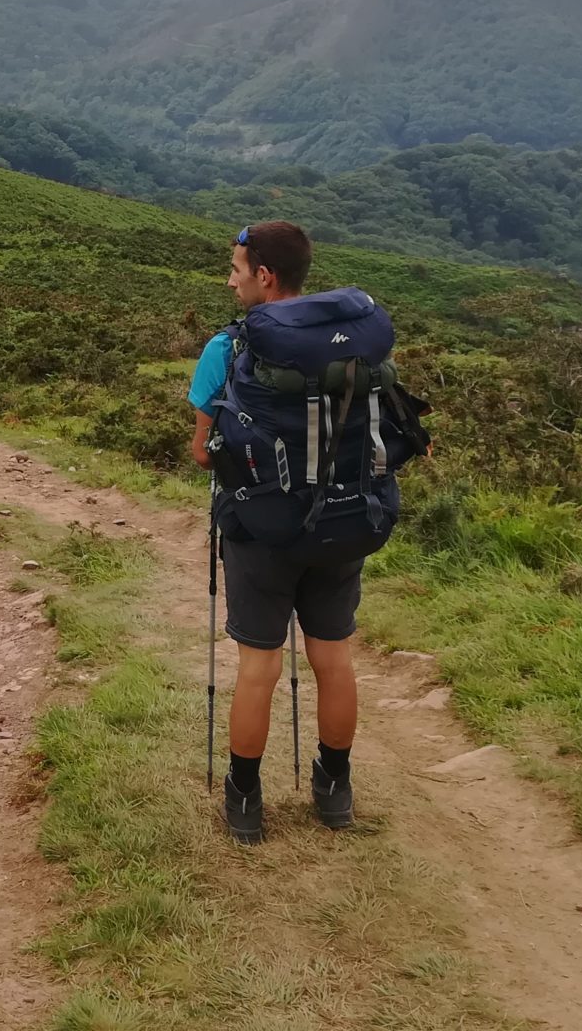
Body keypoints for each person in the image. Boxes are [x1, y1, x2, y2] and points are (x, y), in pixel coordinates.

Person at [188, 220, 359, 844]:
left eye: (235, 270)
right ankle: (335, 787)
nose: (230, 282)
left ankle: (244, 798)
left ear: (265, 276)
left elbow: (203, 453)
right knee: (333, 659)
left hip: (259, 530)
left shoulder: (227, 349)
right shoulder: (348, 344)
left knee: (259, 667)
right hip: (341, 522)